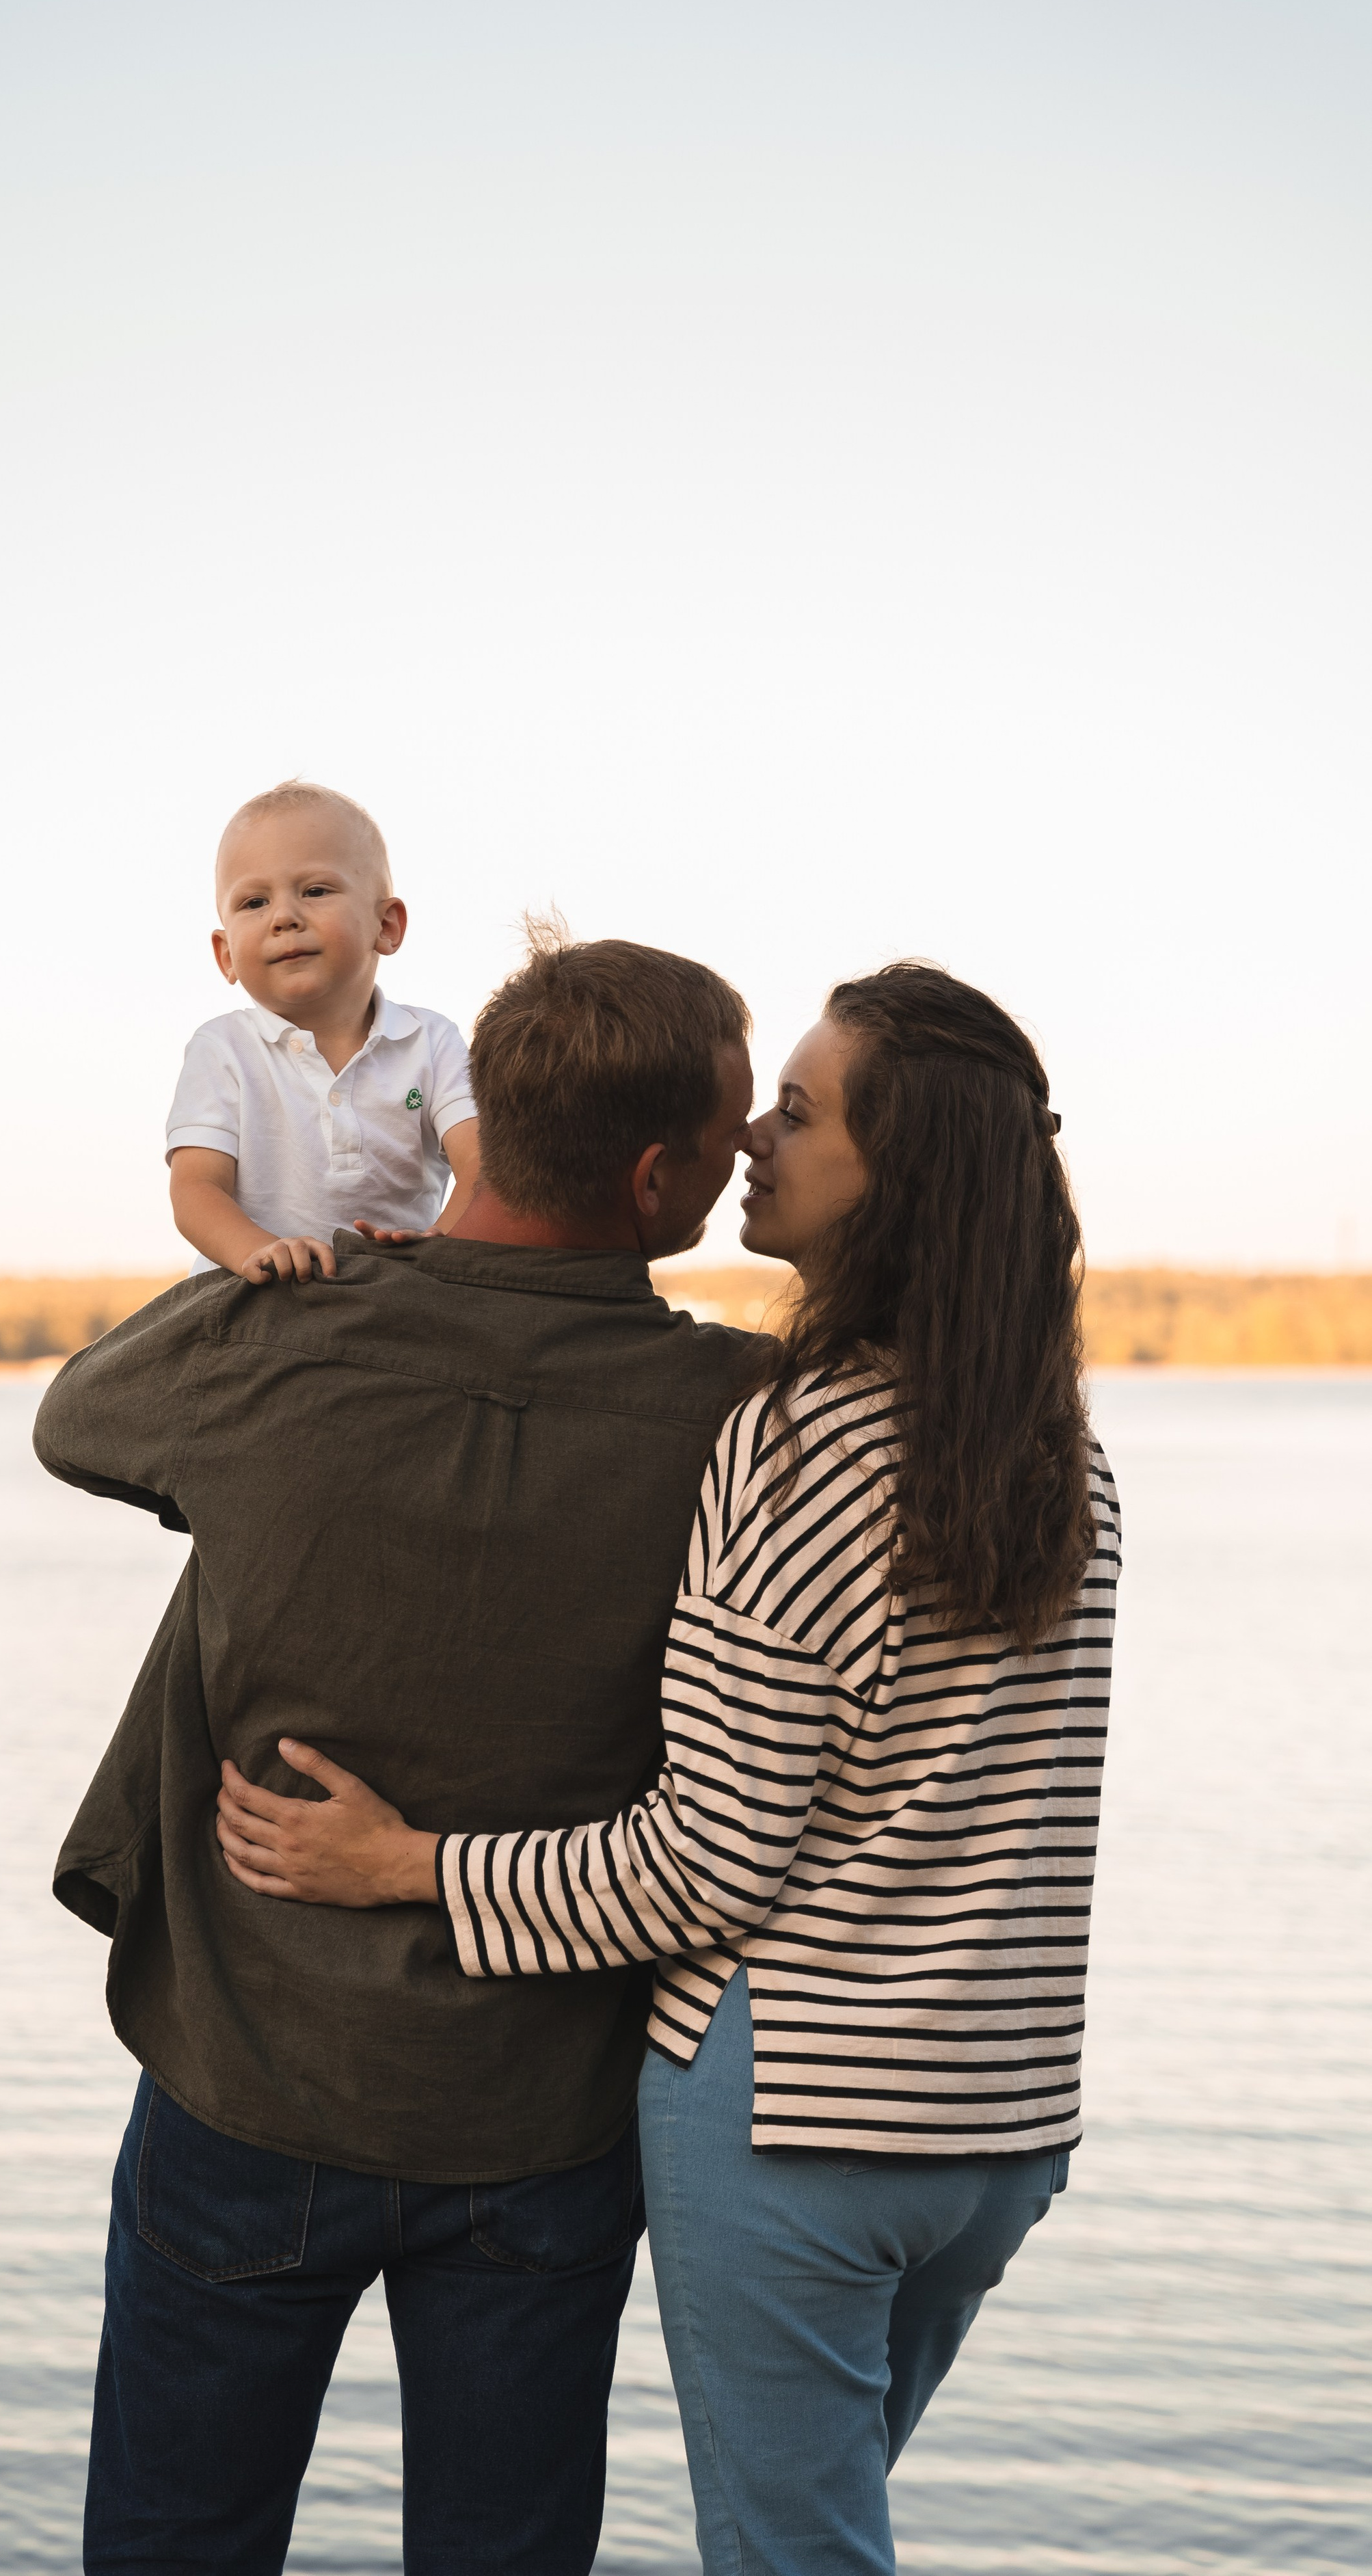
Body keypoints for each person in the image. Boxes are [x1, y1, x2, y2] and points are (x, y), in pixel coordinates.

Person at [217, 963, 1123, 2576]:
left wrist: (404, 1862)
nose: (751, 1137)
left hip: (793, 2122)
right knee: (827, 2525)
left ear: (892, 1175)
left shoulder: (791, 1446)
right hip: (996, 2128)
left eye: (798, 1109)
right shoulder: (1057, 1452)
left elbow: (700, 1864)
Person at [34, 927, 764, 2575]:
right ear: (652, 1177)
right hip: (538, 2124)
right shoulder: (736, 1408)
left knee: (172, 2547)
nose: (737, 1165)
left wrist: (299, 1256)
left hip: (245, 2084)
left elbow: (77, 1415)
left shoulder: (289, 1330)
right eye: (724, 1140)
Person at [165, 778, 481, 1284]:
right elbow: (197, 1191)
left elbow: (482, 1166)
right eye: (253, 903)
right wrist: (260, 1251)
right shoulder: (222, 1049)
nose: (284, 917)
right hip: (253, 1297)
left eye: (315, 891)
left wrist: (442, 1248)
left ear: (387, 926)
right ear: (226, 955)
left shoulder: (431, 1042)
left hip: (397, 1289)